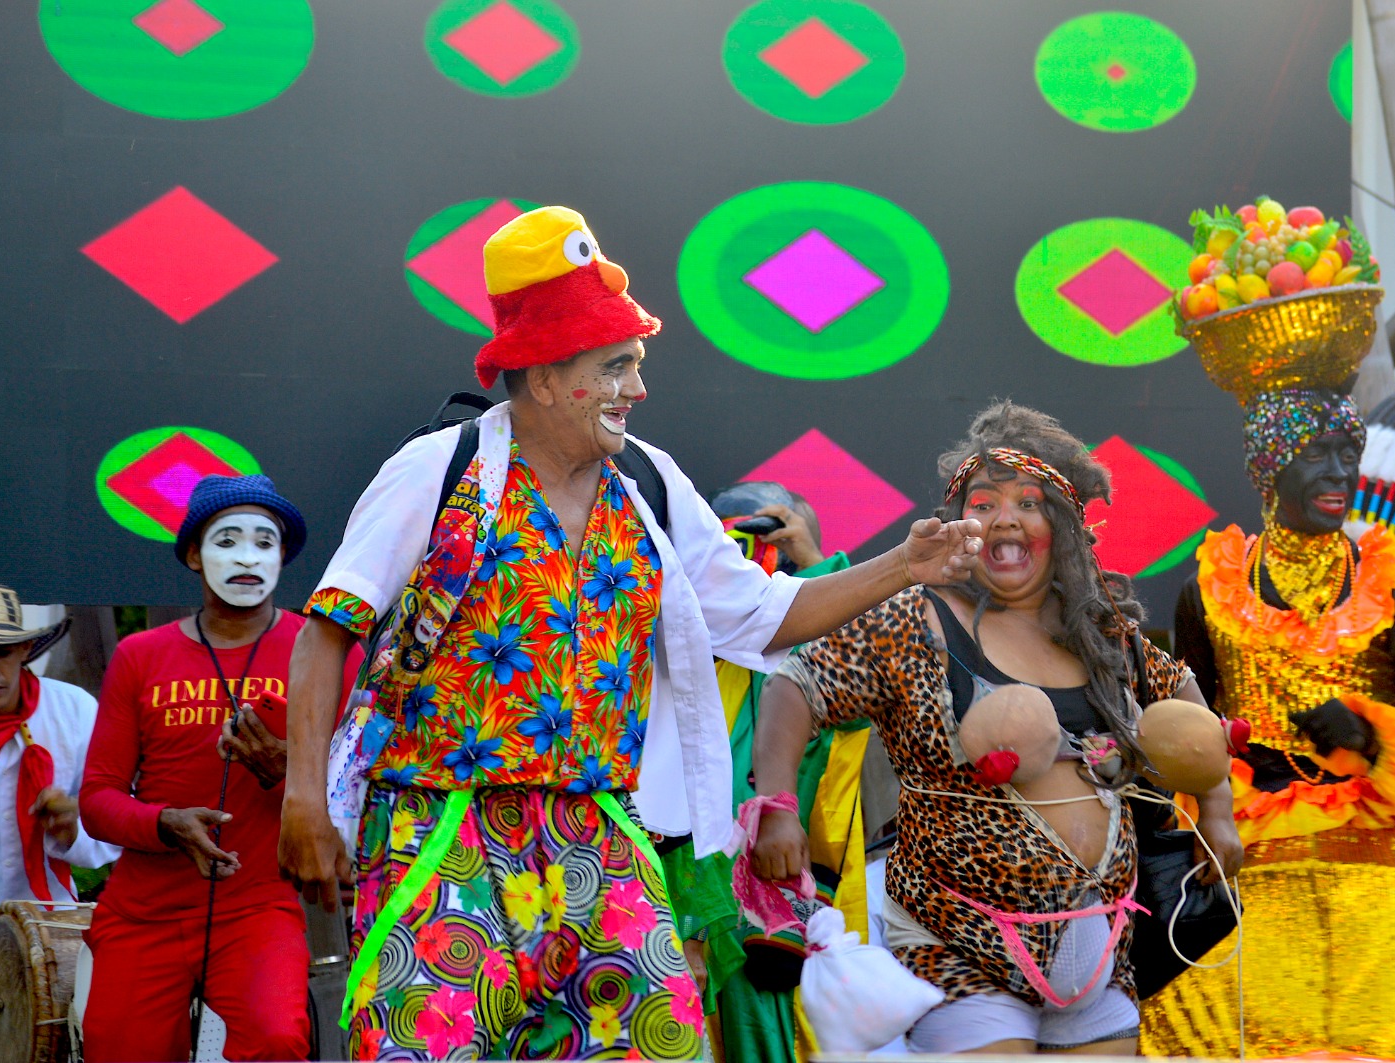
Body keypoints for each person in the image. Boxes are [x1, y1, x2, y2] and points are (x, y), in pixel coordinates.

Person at [276, 205, 983, 1060]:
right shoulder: (438, 469)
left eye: (636, 365)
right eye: (615, 366)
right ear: (542, 376)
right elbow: (328, 629)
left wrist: (903, 563)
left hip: (598, 836)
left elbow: (767, 614)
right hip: (438, 828)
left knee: (658, 1044)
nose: (636, 389)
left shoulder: (648, 483)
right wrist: (303, 796)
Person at [752, 401, 1243, 1057]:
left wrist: (1217, 812)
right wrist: (777, 805)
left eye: (1029, 503)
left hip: (1099, 947)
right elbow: (798, 684)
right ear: (960, 524)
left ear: (1060, 526)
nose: (1005, 517)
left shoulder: (1098, 629)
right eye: (984, 502)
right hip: (958, 943)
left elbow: (1180, 692)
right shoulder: (913, 618)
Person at [1138, 380, 1395, 1059]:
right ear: (1269, 467)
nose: (1340, 474)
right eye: (1317, 454)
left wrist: (1369, 735)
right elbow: (1191, 723)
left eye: (1348, 453)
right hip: (1248, 832)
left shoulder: (1394, 582)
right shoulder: (1208, 589)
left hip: (1386, 831)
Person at [79, 474, 362, 1062]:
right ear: (192, 555)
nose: (246, 558)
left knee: (279, 1037)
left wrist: (290, 772)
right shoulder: (140, 656)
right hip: (143, 912)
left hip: (260, 906)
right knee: (118, 1047)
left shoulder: (330, 650)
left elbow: (364, 780)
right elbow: (98, 799)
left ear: (283, 557)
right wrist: (165, 824)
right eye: (226, 540)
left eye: (264, 542)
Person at [667, 482, 872, 1063]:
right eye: (733, 535)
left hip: (790, 903)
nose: (756, 550)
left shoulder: (817, 660)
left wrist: (814, 564)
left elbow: (857, 657)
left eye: (769, 533)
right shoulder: (685, 647)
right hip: (692, 892)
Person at [0, 583, 118, 1063]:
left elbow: (117, 827)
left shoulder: (75, 713)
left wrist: (72, 829)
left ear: (25, 649)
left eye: (1, 652)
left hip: (50, 924)